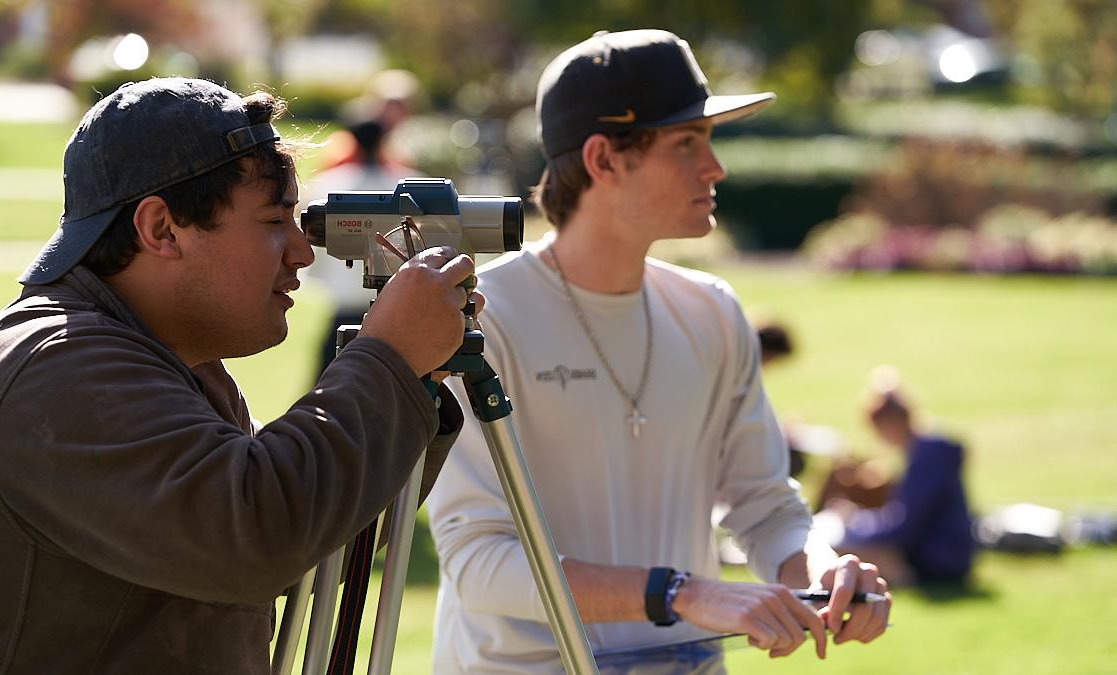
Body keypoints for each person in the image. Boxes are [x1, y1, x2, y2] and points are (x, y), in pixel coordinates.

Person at [0, 77, 481, 673]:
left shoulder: (163, 361)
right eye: (273, 221)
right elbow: (260, 534)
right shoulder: (58, 367)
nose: (301, 252)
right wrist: (388, 359)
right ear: (160, 228)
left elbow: (316, 536)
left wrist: (415, 377)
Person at [426, 30, 890, 674]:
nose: (715, 167)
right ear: (604, 159)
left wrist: (821, 572)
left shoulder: (712, 311)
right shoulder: (481, 319)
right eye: (685, 144)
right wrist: (683, 594)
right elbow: (480, 563)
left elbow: (764, 504)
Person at [818, 369, 975, 587]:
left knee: (835, 551)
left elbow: (902, 528)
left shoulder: (928, 457)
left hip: (939, 558)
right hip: (942, 551)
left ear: (888, 423)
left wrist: (855, 523)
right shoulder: (926, 451)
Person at [306, 117, 422, 374]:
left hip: (345, 311)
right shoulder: (411, 186)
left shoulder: (329, 186)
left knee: (326, 391)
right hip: (397, 307)